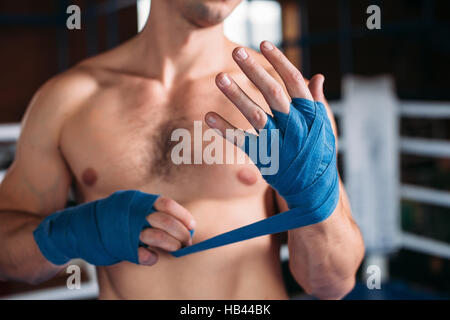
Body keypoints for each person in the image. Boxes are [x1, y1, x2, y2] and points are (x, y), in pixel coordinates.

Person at [0, 0, 364, 299]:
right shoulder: (70, 100)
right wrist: (75, 231)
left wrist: (314, 205)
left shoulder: (284, 103)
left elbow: (332, 284)